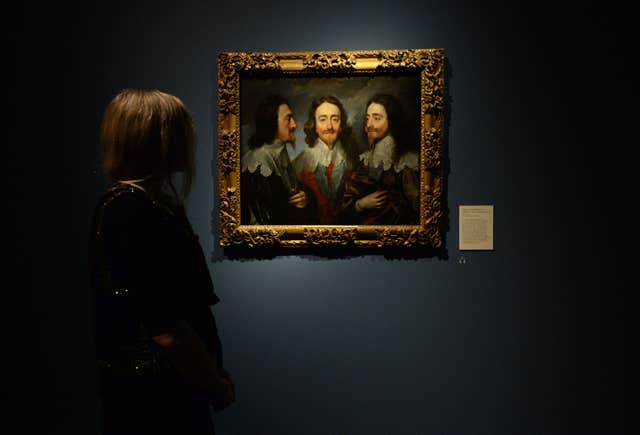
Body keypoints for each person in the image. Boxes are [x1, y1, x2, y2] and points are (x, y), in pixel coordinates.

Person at [89, 89, 235, 435]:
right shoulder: (131, 209)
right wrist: (211, 381)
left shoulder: (150, 206)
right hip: (157, 402)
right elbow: (167, 327)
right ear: (159, 139)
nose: (190, 138)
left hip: (171, 390)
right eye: (181, 128)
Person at [341, 93, 420, 224]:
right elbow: (346, 206)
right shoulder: (365, 160)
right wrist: (361, 204)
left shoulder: (405, 162)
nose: (369, 124)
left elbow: (417, 208)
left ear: (391, 120)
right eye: (367, 118)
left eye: (376, 118)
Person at [241, 95, 314, 224]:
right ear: (272, 121)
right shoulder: (258, 161)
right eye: (288, 119)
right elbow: (267, 217)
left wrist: (304, 196)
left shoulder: (279, 152)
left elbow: (292, 189)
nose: (294, 125)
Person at [293, 95, 359, 224]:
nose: (329, 126)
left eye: (335, 119)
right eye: (323, 119)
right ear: (314, 125)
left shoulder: (353, 160)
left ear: (341, 126)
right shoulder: (301, 161)